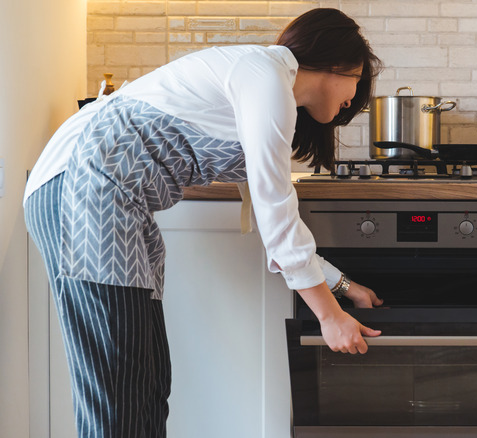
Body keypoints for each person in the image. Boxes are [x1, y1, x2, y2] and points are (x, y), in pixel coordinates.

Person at [23, 8, 383, 438]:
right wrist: (329, 316)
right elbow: (276, 212)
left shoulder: (266, 88)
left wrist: (341, 286)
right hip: (83, 191)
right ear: (340, 65)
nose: (354, 98)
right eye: (358, 82)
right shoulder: (265, 77)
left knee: (147, 387)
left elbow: (274, 225)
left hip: (109, 203)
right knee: (118, 396)